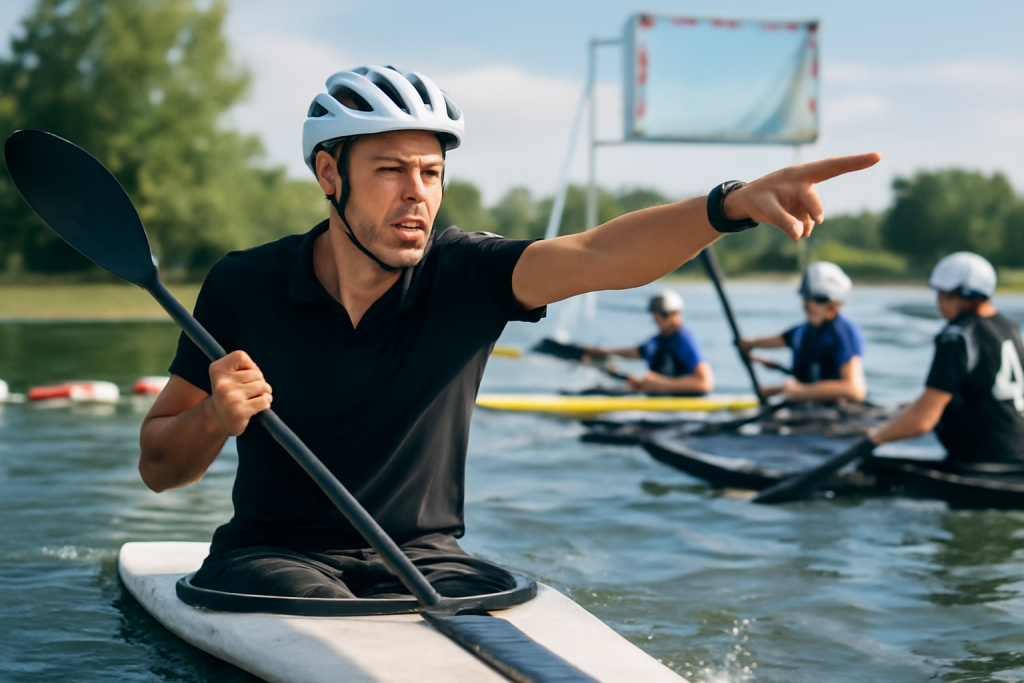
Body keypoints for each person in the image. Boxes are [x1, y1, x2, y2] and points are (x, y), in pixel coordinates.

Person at [138, 64, 879, 600]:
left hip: (426, 557)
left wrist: (730, 206)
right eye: (392, 169)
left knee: (503, 605)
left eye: (431, 172)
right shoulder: (245, 284)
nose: (416, 194)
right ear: (330, 173)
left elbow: (601, 254)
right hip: (274, 555)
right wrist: (214, 416)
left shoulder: (467, 271)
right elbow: (160, 466)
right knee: (321, 604)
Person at [867, 252, 1024, 466]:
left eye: (946, 294)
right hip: (1017, 449)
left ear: (971, 296)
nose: (939, 301)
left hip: (980, 457)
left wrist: (873, 439)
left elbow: (924, 420)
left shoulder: (957, 335)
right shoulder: (1009, 326)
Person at [739, 261, 867, 403]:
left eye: (818, 299)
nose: (809, 305)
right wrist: (746, 344)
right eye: (806, 298)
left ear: (833, 304)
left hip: (837, 414)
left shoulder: (843, 331)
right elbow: (762, 342)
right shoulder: (801, 332)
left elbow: (854, 390)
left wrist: (801, 392)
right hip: (805, 410)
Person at [580, 290, 714, 395]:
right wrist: (598, 353)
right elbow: (631, 353)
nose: (657, 318)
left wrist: (662, 384)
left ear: (676, 315)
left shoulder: (684, 339)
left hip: (683, 410)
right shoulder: (658, 340)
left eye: (663, 313)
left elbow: (705, 383)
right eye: (655, 313)